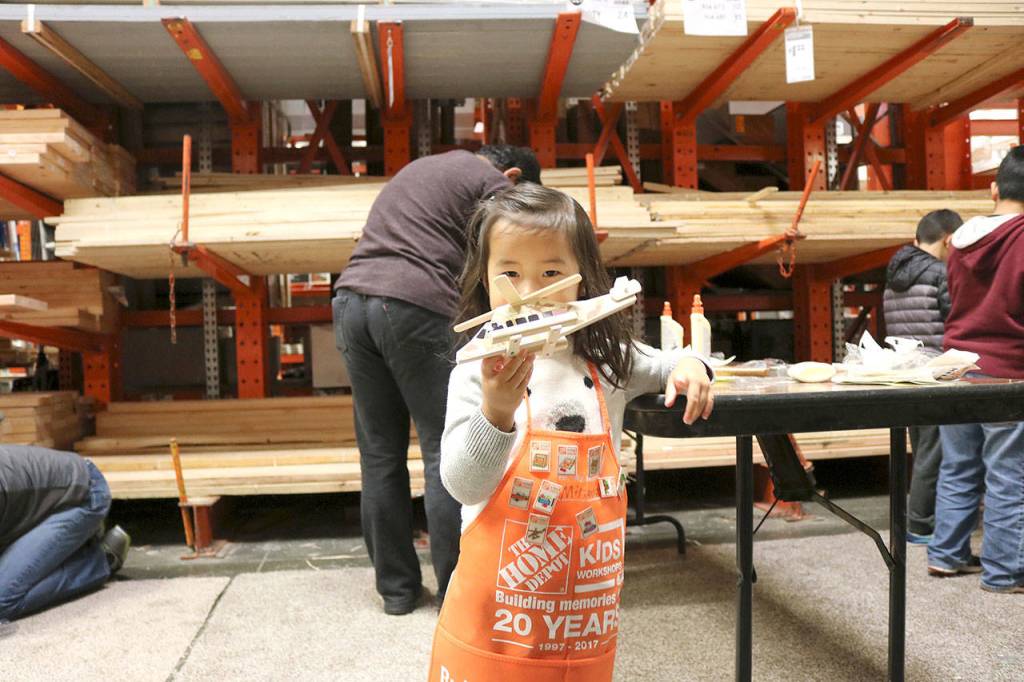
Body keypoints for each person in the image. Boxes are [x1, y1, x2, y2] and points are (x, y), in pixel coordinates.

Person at [429, 184, 714, 681]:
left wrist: (691, 363)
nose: (530, 290)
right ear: (486, 279)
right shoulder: (477, 366)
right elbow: (462, 485)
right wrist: (496, 411)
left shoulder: (605, 357)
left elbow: (666, 362)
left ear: (584, 279)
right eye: (510, 274)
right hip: (495, 609)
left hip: (585, 612)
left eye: (552, 273)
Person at [333, 146, 541, 616]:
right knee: (443, 445)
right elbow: (522, 238)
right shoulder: (490, 181)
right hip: (410, 305)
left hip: (351, 302)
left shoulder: (427, 167)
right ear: (510, 176)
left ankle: (398, 592)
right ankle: (456, 592)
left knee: (379, 454)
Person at [927, 145, 1024, 594]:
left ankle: (946, 555)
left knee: (959, 466)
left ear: (992, 189)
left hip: (957, 367)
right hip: (1009, 370)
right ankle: (1006, 572)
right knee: (1008, 475)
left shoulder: (961, 241)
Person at [882, 209, 963, 544]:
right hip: (937, 372)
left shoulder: (895, 276)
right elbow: (955, 321)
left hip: (904, 372)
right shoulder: (941, 274)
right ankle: (920, 524)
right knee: (935, 451)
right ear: (948, 240)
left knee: (920, 448)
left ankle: (915, 520)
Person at [0, 444, 130, 621]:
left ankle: (99, 559)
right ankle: (79, 539)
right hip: (36, 503)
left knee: (3, 599)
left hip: (83, 496)